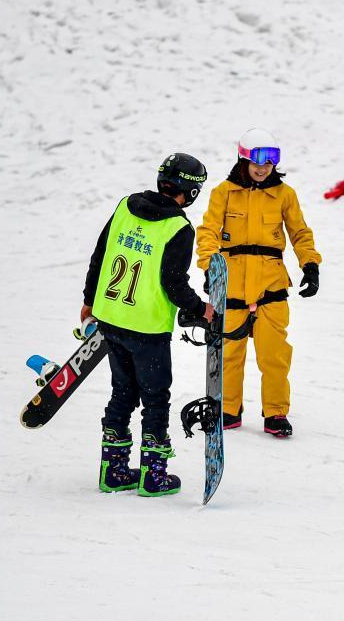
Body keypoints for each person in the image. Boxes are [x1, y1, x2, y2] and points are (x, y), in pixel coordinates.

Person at [82, 153, 214, 497]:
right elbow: (173, 283)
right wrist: (202, 309)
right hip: (147, 330)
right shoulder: (179, 227)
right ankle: (153, 476)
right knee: (155, 399)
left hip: (111, 319)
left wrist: (88, 300)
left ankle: (113, 470)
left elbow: (101, 254)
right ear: (191, 192)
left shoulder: (126, 207)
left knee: (122, 393)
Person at [195, 128, 322, 438]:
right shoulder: (223, 192)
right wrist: (210, 265)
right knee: (230, 352)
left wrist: (310, 264)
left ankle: (276, 413)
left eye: (271, 161)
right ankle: (228, 408)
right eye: (257, 161)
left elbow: (300, 232)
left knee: (274, 354)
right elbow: (208, 231)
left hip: (271, 286)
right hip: (233, 285)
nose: (264, 168)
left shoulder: (284, 194)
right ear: (244, 158)